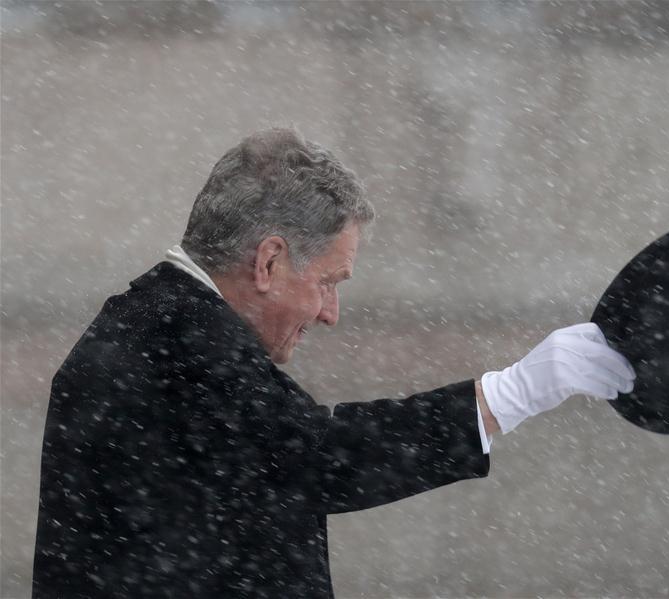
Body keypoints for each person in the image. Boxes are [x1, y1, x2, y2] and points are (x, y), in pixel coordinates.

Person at [32, 128, 636, 598]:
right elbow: (315, 458)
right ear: (269, 261)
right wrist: (509, 394)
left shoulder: (160, 319)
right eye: (328, 281)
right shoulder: (180, 337)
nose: (331, 313)